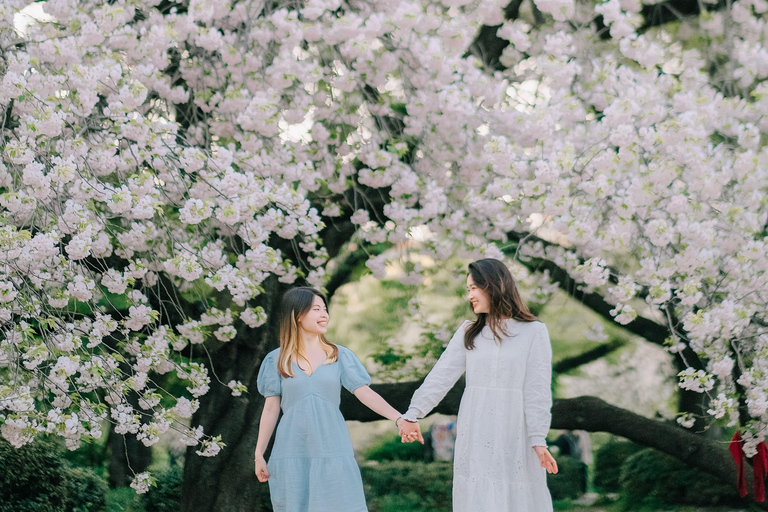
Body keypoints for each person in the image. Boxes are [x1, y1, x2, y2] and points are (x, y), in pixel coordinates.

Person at [399, 258, 559, 512]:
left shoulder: (534, 332)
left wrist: (538, 439)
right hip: (476, 427)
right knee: (480, 495)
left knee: (517, 493)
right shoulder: (468, 332)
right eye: (468, 289)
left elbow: (537, 390)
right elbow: (441, 376)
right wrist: (413, 413)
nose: (470, 295)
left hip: (515, 430)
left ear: (494, 286)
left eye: (474, 288)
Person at [253, 286, 408, 512]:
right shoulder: (276, 360)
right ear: (297, 314)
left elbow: (365, 393)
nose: (324, 315)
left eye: (325, 309)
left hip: (332, 448)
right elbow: (270, 409)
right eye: (316, 309)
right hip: (291, 451)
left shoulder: (340, 355)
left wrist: (399, 418)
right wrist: (259, 454)